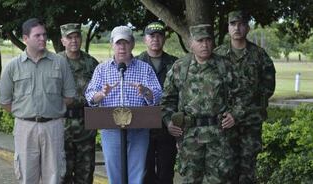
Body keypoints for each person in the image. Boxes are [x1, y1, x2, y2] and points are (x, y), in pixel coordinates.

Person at [161, 24, 248, 183]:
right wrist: (168, 122)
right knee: (190, 179)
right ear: (191, 44)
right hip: (190, 137)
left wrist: (235, 114)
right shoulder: (180, 67)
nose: (205, 44)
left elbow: (242, 95)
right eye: (200, 40)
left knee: (219, 179)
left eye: (208, 40)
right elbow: (167, 100)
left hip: (219, 136)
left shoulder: (225, 66)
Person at [0, 18, 76, 184]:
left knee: (54, 176)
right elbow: (5, 101)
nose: (43, 39)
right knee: (27, 176)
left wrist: (51, 110)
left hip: (53, 126)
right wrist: (26, 112)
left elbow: (69, 96)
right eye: (37, 35)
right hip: (25, 128)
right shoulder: (13, 66)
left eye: (44, 35)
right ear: (25, 39)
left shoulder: (59, 62)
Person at [85, 25, 162, 184]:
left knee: (137, 176)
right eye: (118, 43)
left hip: (139, 131)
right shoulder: (102, 69)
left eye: (126, 43)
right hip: (111, 131)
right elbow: (90, 96)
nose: (122, 47)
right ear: (112, 44)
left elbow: (157, 95)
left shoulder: (145, 68)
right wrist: (102, 94)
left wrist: (145, 91)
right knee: (115, 175)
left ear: (132, 44)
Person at [214, 10, 276, 183]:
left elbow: (267, 90)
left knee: (247, 171)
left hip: (251, 123)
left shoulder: (259, 55)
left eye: (241, 24)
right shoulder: (218, 55)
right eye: (233, 24)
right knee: (226, 169)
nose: (237, 28)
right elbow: (212, 89)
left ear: (247, 28)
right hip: (225, 122)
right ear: (228, 28)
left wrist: (241, 112)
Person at [135, 22, 178, 184]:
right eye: (151, 36)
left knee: (166, 172)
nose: (155, 39)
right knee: (144, 173)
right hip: (142, 127)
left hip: (167, 126)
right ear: (145, 39)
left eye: (159, 35)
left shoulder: (175, 64)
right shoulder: (136, 63)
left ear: (164, 39)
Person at [58, 23, 99, 184]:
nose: (74, 40)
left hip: (86, 126)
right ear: (63, 41)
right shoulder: (55, 63)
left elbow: (98, 91)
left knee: (85, 174)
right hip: (61, 125)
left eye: (77, 36)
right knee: (62, 174)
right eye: (69, 37)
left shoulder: (91, 63)